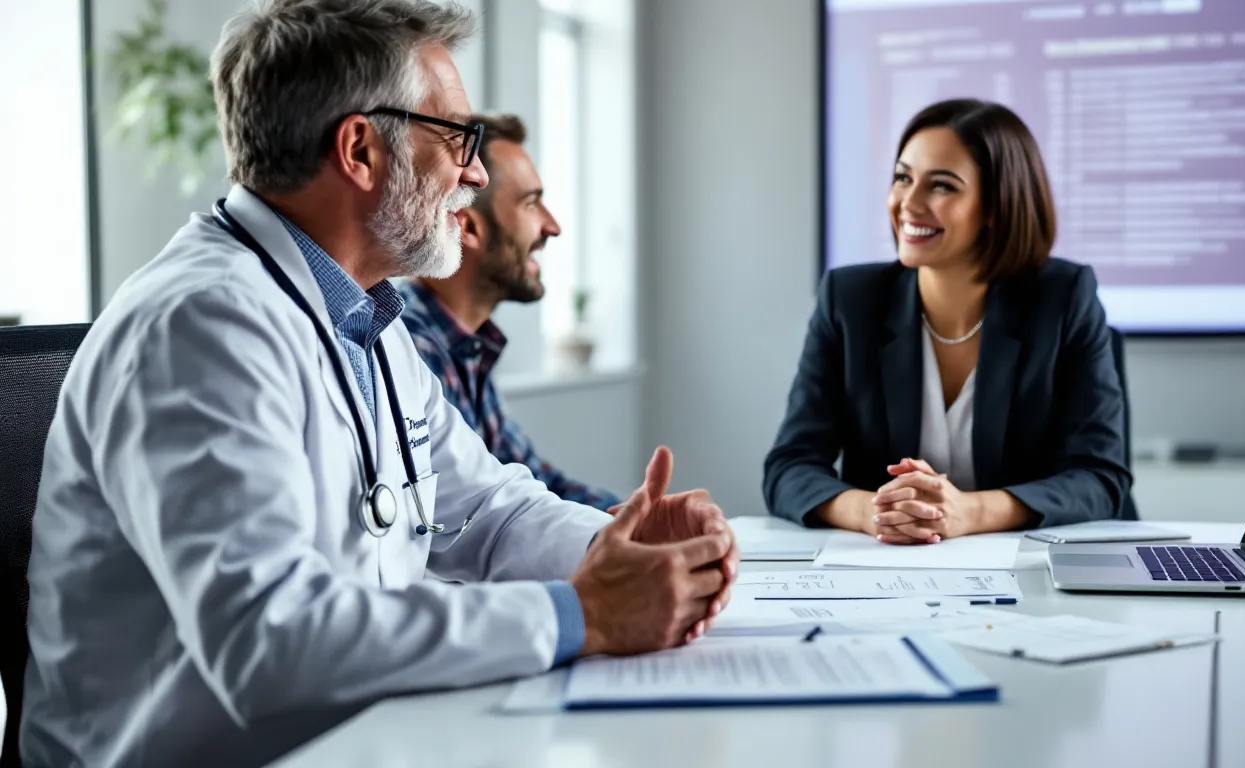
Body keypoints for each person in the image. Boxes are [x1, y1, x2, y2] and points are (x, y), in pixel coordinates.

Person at [21, 2, 737, 766]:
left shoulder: (363, 313)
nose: (474, 172)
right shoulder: (199, 327)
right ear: (360, 149)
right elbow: (269, 638)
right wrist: (582, 613)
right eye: (457, 137)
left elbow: (486, 512)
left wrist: (614, 543)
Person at [763, 98, 1132, 544]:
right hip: (894, 570)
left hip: (1037, 567)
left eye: (941, 186)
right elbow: (790, 467)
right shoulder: (849, 300)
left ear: (997, 205)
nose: (908, 203)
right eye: (903, 178)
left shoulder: (1063, 297)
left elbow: (1101, 479)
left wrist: (969, 512)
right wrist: (873, 511)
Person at [398, 113, 622, 511]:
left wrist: (639, 522)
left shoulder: (467, 346)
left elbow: (534, 482)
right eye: (531, 203)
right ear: (469, 228)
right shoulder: (413, 351)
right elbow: (481, 515)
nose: (552, 227)